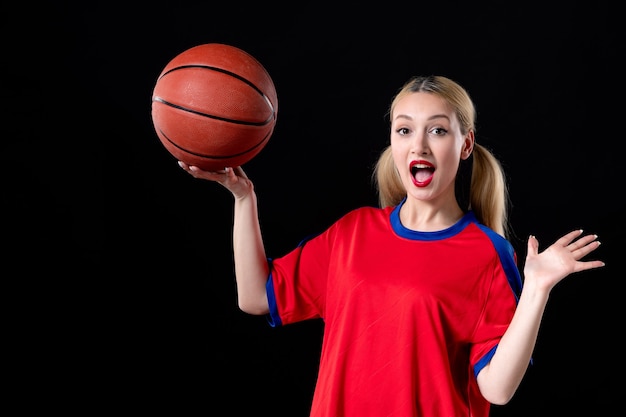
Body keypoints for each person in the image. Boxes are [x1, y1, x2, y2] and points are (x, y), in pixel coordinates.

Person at [177, 75, 605, 417]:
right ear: (394, 143)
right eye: (404, 130)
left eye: (437, 130)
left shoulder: (488, 253)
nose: (418, 144)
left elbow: (497, 389)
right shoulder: (353, 232)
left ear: (466, 144)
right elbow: (255, 296)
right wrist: (243, 198)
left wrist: (536, 291)